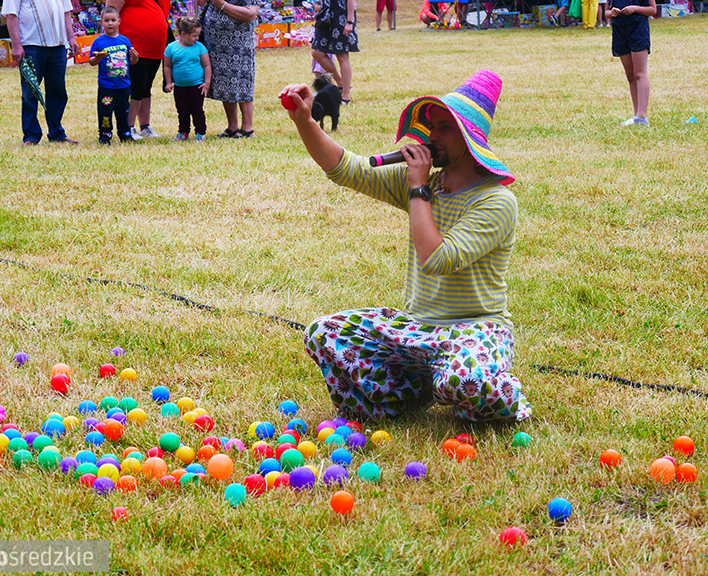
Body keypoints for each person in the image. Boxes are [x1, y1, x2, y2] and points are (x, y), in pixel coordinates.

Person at [279, 70, 532, 422]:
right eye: (432, 127)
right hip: (417, 329)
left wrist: (417, 189)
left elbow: (436, 259)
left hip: (474, 329)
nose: (432, 136)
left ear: (469, 137)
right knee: (324, 333)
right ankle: (407, 396)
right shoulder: (428, 185)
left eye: (445, 128)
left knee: (465, 379)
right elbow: (347, 168)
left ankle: (502, 394)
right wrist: (305, 121)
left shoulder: (496, 201)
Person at [2, 0, 80, 145]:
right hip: (31, 46)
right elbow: (11, 16)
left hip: (58, 46)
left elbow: (66, 12)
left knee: (58, 92)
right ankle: (31, 135)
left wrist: (71, 38)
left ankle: (57, 133)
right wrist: (16, 45)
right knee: (30, 93)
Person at [105, 0, 170, 140]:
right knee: (137, 86)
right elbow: (110, 13)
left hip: (155, 45)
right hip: (133, 45)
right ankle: (128, 127)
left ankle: (145, 126)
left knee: (146, 86)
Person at [199, 0, 259, 138]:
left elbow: (251, 14)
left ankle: (247, 129)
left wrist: (222, 5)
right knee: (224, 82)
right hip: (216, 44)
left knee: (242, 81)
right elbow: (201, 3)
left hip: (239, 43)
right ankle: (232, 127)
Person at [88, 6, 139, 145]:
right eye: (106, 20)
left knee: (124, 111)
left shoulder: (124, 40)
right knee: (105, 111)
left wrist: (135, 57)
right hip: (107, 85)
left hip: (124, 85)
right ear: (101, 22)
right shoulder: (98, 41)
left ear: (119, 21)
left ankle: (125, 133)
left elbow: (131, 61)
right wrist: (97, 58)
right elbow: (91, 61)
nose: (110, 23)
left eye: (113, 20)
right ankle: (105, 135)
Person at [608, 0, 656, 126]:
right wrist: (612, 13)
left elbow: (652, 10)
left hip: (638, 28)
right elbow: (606, 12)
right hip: (619, 31)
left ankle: (642, 116)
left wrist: (635, 9)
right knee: (630, 76)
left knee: (639, 73)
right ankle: (637, 116)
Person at [163, 18, 211, 141]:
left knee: (197, 110)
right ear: (183, 34)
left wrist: (207, 83)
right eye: (194, 36)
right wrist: (168, 82)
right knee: (182, 110)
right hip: (179, 87)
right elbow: (167, 66)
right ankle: (183, 132)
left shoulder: (200, 47)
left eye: (198, 35)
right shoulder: (171, 48)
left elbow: (207, 65)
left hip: (197, 86)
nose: (197, 38)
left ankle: (200, 132)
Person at [311, 0, 357, 105]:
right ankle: (340, 83)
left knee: (342, 55)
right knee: (316, 52)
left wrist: (349, 22)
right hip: (325, 16)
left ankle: (345, 96)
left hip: (341, 17)